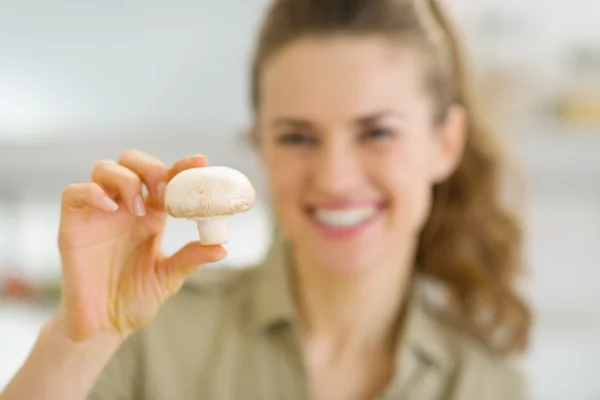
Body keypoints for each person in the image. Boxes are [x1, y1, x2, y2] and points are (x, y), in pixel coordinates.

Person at [0, 0, 533, 399]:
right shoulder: (148, 334)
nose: (334, 178)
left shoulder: (489, 387)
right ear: (260, 147)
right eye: (297, 137)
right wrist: (80, 340)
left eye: (377, 133)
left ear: (446, 143)